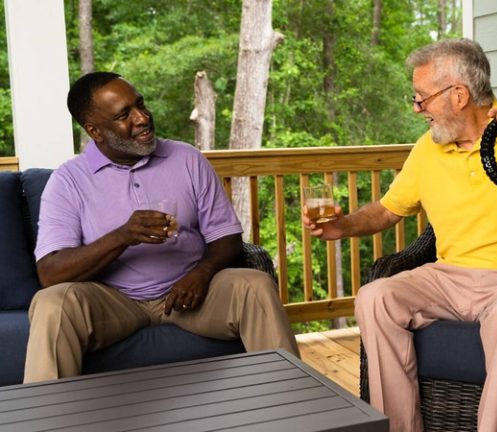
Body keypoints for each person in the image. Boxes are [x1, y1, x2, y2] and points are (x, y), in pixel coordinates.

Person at [303, 39, 497, 432]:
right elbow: (387, 210)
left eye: (422, 97)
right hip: (449, 278)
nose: (415, 107)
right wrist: (342, 226)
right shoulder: (428, 150)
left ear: (459, 95)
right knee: (376, 297)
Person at [25, 72, 299, 383]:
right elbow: (51, 273)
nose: (142, 118)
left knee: (255, 284)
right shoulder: (68, 181)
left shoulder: (186, 158)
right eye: (124, 115)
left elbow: (227, 237)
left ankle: (292, 408)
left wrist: (202, 272)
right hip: (116, 302)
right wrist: (122, 236)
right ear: (95, 131)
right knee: (51, 304)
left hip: (191, 296)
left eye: (140, 104)